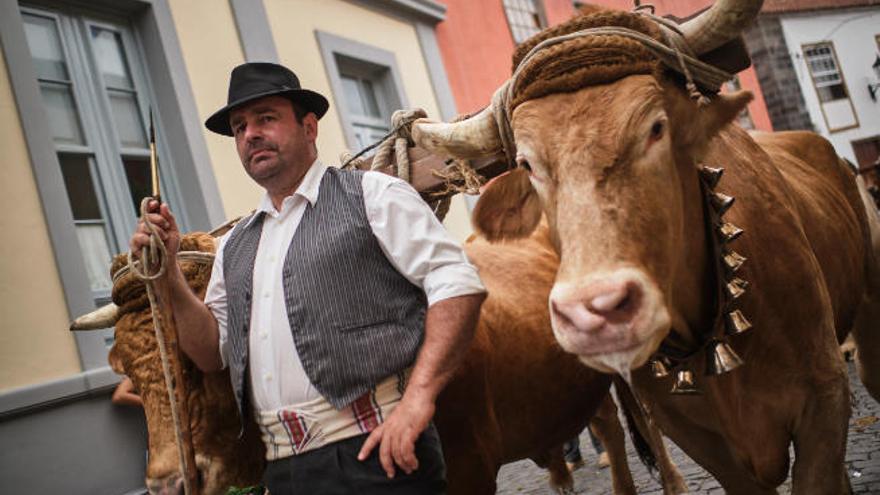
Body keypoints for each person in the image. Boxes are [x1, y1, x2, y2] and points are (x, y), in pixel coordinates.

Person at [129, 62, 486, 494]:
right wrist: (168, 274)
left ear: (309, 127)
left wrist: (418, 399)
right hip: (283, 470)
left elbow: (457, 284)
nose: (250, 135)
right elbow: (211, 354)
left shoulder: (373, 194)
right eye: (240, 127)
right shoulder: (235, 246)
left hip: (379, 452)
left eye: (266, 118)